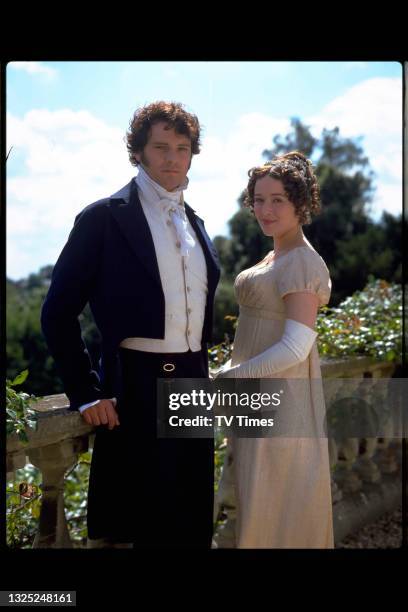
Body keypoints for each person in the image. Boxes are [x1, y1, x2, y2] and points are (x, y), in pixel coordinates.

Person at [41, 101, 221, 548]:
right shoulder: (103, 217)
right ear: (137, 151)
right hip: (136, 385)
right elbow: (58, 311)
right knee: (143, 530)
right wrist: (85, 392)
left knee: (191, 525)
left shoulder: (195, 222)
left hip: (194, 382)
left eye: (182, 148)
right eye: (160, 146)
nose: (172, 158)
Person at [216, 151, 334, 548]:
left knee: (277, 509)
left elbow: (296, 346)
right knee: (253, 504)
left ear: (301, 203)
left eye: (277, 200)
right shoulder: (274, 255)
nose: (265, 210)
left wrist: (231, 376)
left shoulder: (302, 262)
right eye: (259, 200)